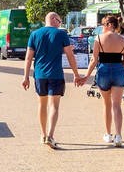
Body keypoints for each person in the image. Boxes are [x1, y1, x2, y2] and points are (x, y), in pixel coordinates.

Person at [22, 11, 82, 149]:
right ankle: (50, 135)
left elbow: (28, 57)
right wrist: (76, 74)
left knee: (42, 105)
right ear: (54, 19)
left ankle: (43, 135)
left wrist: (25, 77)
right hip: (55, 74)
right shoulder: (61, 34)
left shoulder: (34, 34)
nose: (60, 24)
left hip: (39, 75)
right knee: (54, 106)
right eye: (60, 21)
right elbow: (70, 56)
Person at [79, 14, 124, 146]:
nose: (102, 28)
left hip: (103, 71)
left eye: (103, 25)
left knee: (107, 104)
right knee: (117, 105)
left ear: (109, 25)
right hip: (119, 71)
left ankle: (108, 134)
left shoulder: (98, 39)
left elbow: (93, 60)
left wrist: (85, 76)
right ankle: (118, 135)